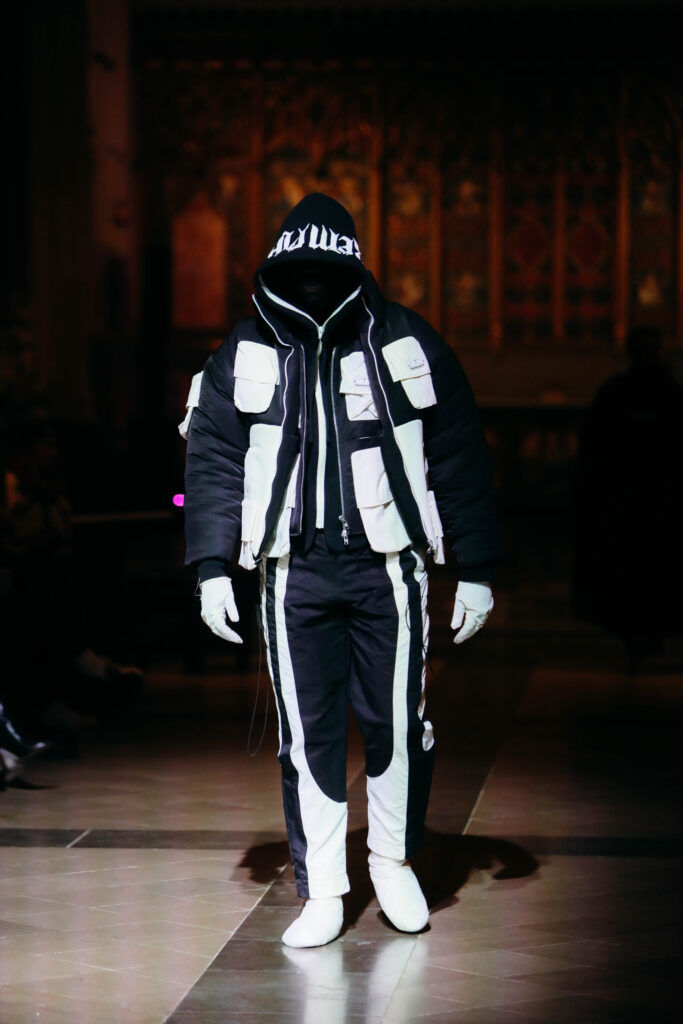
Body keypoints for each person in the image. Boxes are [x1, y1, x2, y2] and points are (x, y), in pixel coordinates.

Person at [181, 193, 502, 947]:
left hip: (388, 565)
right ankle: (323, 885)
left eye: (326, 269)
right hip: (291, 570)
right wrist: (211, 566)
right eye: (299, 269)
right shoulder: (244, 349)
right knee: (307, 732)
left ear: (353, 266)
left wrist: (477, 565)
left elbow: (458, 454)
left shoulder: (406, 340)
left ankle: (392, 860)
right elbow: (214, 459)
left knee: (398, 723)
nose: (313, 283)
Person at [572, 325, 683, 669]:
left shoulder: (618, 392)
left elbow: (593, 452)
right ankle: (646, 634)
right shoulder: (667, 392)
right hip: (655, 500)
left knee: (636, 571)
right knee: (653, 571)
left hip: (629, 501)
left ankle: (639, 636)